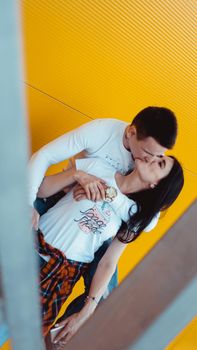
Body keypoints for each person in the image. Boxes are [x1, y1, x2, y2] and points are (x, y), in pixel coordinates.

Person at [29, 106, 178, 315]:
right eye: (148, 153)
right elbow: (45, 157)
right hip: (62, 197)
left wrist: (109, 194)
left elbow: (147, 221)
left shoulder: (144, 193)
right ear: (131, 133)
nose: (151, 159)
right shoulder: (101, 132)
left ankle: (67, 333)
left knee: (105, 300)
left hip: (94, 238)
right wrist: (77, 176)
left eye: (159, 156)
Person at [35, 154, 184, 346]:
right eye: (158, 155)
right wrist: (76, 176)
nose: (154, 157)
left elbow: (108, 262)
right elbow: (42, 190)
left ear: (156, 184)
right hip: (34, 248)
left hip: (61, 276)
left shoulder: (135, 216)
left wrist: (89, 307)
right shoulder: (97, 167)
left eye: (161, 163)